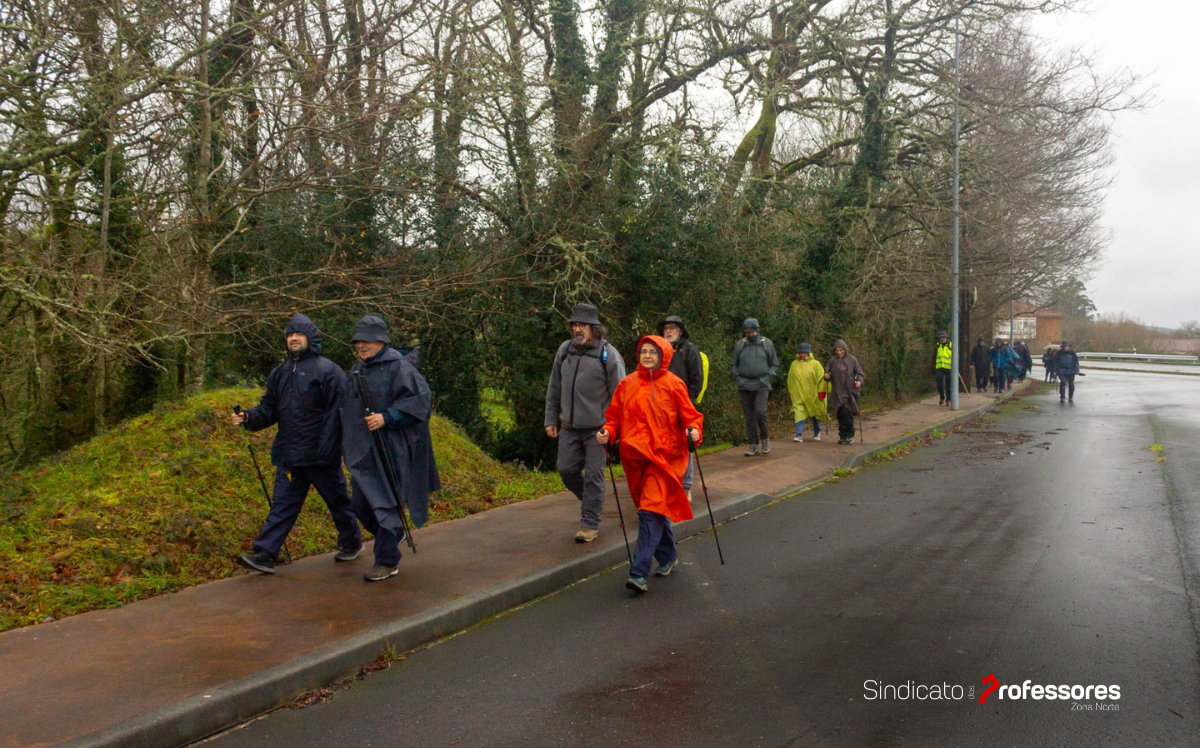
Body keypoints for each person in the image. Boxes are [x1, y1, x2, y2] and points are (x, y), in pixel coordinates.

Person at [232, 313, 362, 575]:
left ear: (310, 338)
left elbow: (338, 413)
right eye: (290, 335)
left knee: (338, 503)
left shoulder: (329, 371)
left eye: (298, 334)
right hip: (290, 455)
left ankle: (352, 542)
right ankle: (265, 554)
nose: (293, 338)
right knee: (282, 506)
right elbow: (268, 409)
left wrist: (331, 449)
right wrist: (248, 417)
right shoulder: (279, 373)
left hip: (320, 457)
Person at [595, 335, 702, 595]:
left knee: (649, 510)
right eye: (643, 351)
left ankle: (639, 572)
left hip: (665, 460)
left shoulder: (674, 385)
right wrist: (607, 433)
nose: (647, 356)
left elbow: (692, 418)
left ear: (663, 354)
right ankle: (668, 556)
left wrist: (694, 432)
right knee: (652, 510)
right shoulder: (626, 384)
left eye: (652, 352)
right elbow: (613, 418)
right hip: (635, 461)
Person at [341, 315, 441, 581]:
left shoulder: (399, 367)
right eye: (358, 340)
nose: (362, 345)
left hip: (394, 450)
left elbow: (421, 402)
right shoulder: (356, 369)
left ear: (381, 340)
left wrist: (388, 417)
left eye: (368, 340)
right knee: (360, 504)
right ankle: (393, 533)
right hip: (365, 451)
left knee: (387, 504)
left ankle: (386, 560)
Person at [545, 303, 626, 542]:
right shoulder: (565, 351)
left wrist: (613, 429)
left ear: (594, 328)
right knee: (566, 470)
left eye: (583, 325)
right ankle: (593, 502)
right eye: (575, 325)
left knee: (593, 476)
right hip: (569, 427)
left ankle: (589, 524)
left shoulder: (608, 354)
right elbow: (554, 387)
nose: (577, 329)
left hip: (597, 430)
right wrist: (551, 418)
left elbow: (620, 395)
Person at [657, 315, 703, 501]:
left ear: (680, 331)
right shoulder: (658, 350)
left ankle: (685, 486)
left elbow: (696, 379)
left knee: (686, 444)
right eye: (666, 328)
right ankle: (667, 484)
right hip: (661, 407)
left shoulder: (690, 350)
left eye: (672, 328)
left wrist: (688, 404)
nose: (668, 331)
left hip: (683, 406)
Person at [732, 318, 778, 456]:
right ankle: (753, 444)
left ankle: (765, 439)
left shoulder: (766, 344)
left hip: (762, 384)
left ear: (757, 330)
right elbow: (734, 364)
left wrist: (768, 376)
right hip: (744, 385)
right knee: (749, 416)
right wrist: (738, 378)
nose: (750, 334)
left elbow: (774, 364)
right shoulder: (740, 345)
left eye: (752, 331)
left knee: (759, 411)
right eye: (747, 332)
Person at [824, 339, 865, 445]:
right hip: (837, 392)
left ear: (845, 349)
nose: (839, 352)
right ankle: (842, 436)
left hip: (849, 391)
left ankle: (849, 435)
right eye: (837, 350)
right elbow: (827, 372)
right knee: (840, 414)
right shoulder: (832, 361)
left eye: (841, 350)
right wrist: (827, 376)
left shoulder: (852, 360)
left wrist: (859, 381)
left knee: (846, 413)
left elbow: (860, 373)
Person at [787, 343, 828, 442]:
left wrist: (821, 392)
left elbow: (821, 379)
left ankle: (817, 432)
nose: (803, 354)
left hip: (813, 394)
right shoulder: (794, 364)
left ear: (809, 353)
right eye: (801, 352)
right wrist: (790, 391)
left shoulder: (816, 364)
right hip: (799, 394)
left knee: (816, 413)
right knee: (799, 413)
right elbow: (790, 379)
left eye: (805, 352)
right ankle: (798, 434)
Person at [932, 330, 954, 406]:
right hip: (939, 367)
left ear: (946, 338)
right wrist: (932, 367)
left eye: (944, 337)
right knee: (939, 383)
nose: (942, 339)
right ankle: (942, 396)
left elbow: (955, 356)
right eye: (941, 338)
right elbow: (934, 357)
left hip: (949, 367)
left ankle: (948, 399)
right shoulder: (937, 346)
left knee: (949, 384)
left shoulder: (950, 345)